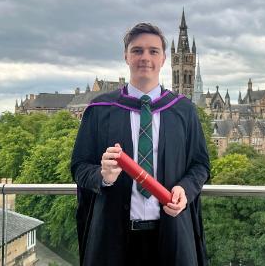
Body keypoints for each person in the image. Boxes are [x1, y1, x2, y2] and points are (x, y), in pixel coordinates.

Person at [71, 22, 210, 266]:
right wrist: (102, 175)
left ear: (164, 58)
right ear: (126, 56)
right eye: (137, 50)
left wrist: (185, 190)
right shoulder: (99, 110)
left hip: (172, 235)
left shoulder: (184, 110)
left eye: (153, 51)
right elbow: (79, 167)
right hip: (113, 238)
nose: (145, 57)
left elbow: (200, 166)